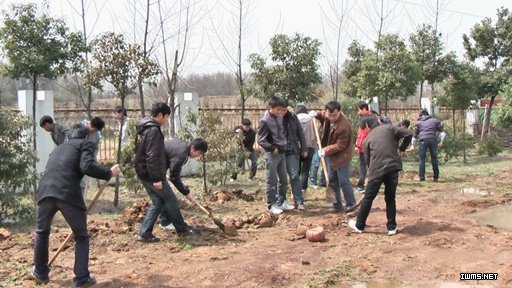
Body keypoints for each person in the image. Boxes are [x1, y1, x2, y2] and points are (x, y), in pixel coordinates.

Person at [32, 124, 120, 287]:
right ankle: (81, 278)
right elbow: (86, 166)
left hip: (45, 191)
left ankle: (40, 272)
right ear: (86, 137)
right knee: (80, 236)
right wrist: (108, 173)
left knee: (42, 232)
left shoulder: (58, 148)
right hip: (67, 193)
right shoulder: (85, 144)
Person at [135, 103, 195, 242]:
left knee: (158, 201)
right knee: (170, 199)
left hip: (143, 170)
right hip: (151, 173)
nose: (167, 120)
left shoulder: (144, 127)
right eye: (167, 117)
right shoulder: (153, 131)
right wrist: (156, 178)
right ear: (161, 115)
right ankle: (182, 228)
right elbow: (152, 156)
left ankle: (144, 233)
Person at [348, 115, 412, 235]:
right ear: (377, 121)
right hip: (393, 168)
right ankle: (392, 227)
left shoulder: (367, 140)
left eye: (364, 129)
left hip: (377, 171)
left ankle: (359, 225)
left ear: (367, 126)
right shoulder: (390, 128)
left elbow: (368, 162)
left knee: (368, 198)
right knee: (390, 197)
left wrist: (370, 176)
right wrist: (402, 149)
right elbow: (408, 134)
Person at [311, 101, 357, 212]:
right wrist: (314, 114)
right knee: (332, 180)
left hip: (342, 156)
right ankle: (337, 205)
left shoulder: (343, 126)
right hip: (329, 154)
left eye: (335, 115)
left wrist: (325, 150)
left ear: (339, 112)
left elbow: (340, 145)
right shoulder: (327, 115)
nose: (332, 117)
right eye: (329, 115)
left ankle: (351, 204)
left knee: (343, 180)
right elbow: (321, 114)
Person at [158, 138, 208, 231]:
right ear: (193, 148)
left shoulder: (182, 146)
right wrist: (186, 192)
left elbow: (173, 171)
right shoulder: (182, 154)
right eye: (199, 153)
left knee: (163, 197)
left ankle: (164, 222)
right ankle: (178, 227)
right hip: (152, 169)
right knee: (170, 199)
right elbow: (174, 177)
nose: (198, 156)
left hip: (156, 168)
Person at [257, 96, 289, 215]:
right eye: (278, 110)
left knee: (284, 179)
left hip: (282, 152)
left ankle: (282, 201)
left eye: (282, 110)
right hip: (272, 153)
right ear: (271, 107)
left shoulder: (280, 117)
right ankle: (271, 204)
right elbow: (260, 140)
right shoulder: (264, 121)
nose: (281, 112)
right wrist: (272, 148)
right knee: (272, 180)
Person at [409, 110, 446, 182]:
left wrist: (412, 145)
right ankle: (436, 178)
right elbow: (442, 132)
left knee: (422, 159)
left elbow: (414, 136)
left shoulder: (418, 122)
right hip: (433, 140)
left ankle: (422, 178)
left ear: (421, 116)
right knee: (434, 159)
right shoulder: (435, 121)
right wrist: (441, 142)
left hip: (423, 140)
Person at [283, 106, 308, 210]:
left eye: (284, 110)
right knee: (282, 179)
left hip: (292, 151)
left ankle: (299, 201)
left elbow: (300, 132)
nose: (282, 112)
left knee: (294, 176)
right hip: (279, 152)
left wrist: (304, 148)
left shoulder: (293, 117)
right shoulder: (274, 117)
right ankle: (281, 201)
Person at [295, 105, 316, 197]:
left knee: (296, 170)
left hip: (297, 147)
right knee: (306, 171)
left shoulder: (295, 119)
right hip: (309, 147)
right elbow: (315, 134)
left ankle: (295, 191)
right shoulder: (311, 120)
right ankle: (303, 191)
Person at [354, 101, 374, 193]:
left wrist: (358, 145)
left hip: (365, 147)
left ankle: (361, 186)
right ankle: (369, 185)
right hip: (368, 146)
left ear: (364, 109)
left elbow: (363, 134)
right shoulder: (372, 117)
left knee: (364, 167)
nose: (358, 112)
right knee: (369, 166)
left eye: (359, 110)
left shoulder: (367, 119)